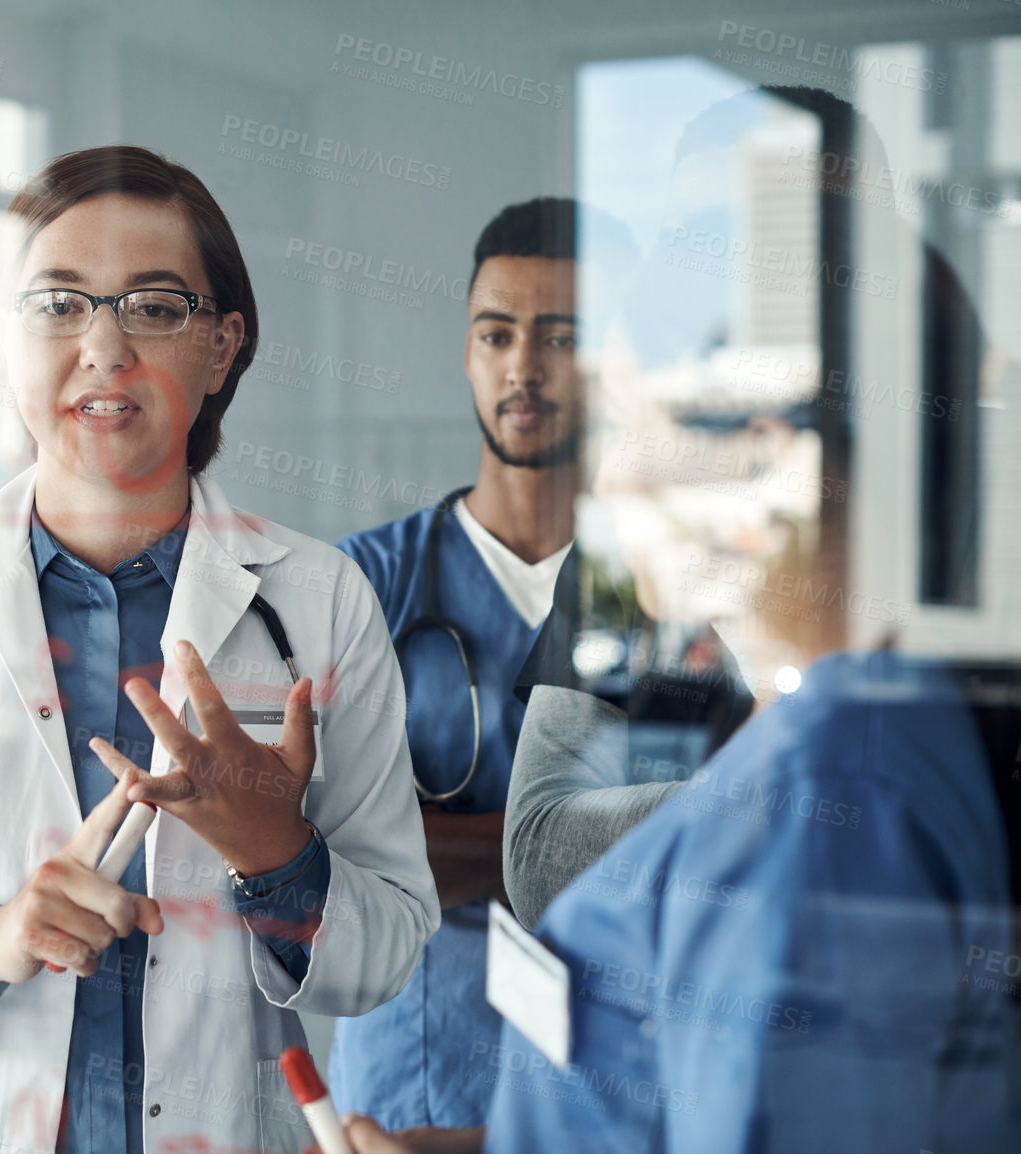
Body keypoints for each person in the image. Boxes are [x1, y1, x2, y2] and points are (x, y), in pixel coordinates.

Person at [0, 144, 438, 1154]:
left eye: (156, 306)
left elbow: (384, 949)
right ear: (5, 339)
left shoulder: (319, 601)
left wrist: (278, 858)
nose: (104, 347)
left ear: (223, 346)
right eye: (57, 303)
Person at [326, 198, 751, 1131]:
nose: (523, 366)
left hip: (622, 1078)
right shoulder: (362, 582)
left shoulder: (673, 581)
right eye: (496, 333)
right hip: (417, 1087)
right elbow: (329, 853)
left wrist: (444, 842)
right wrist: (567, 840)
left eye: (561, 336)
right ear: (468, 351)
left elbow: (712, 846)